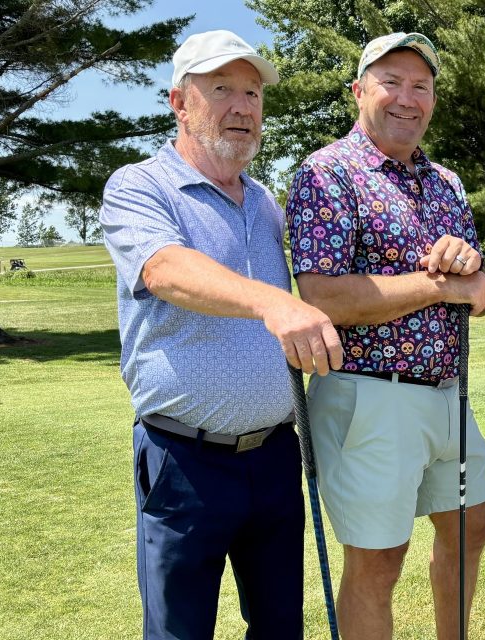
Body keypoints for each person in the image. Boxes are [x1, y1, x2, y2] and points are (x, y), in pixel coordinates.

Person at [100, 30, 344, 639]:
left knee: (281, 627)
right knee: (180, 632)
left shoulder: (264, 202)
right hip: (184, 462)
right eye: (222, 90)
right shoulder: (139, 186)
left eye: (253, 93)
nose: (243, 106)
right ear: (179, 102)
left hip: (276, 454)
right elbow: (164, 269)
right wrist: (273, 303)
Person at [284, 32, 485, 640]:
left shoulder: (446, 182)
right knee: (379, 561)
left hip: (443, 392)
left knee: (470, 525)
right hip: (367, 395)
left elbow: (478, 293)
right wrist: (439, 287)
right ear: (358, 91)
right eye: (391, 82)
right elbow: (323, 296)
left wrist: (468, 268)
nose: (408, 97)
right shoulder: (328, 173)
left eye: (421, 86)